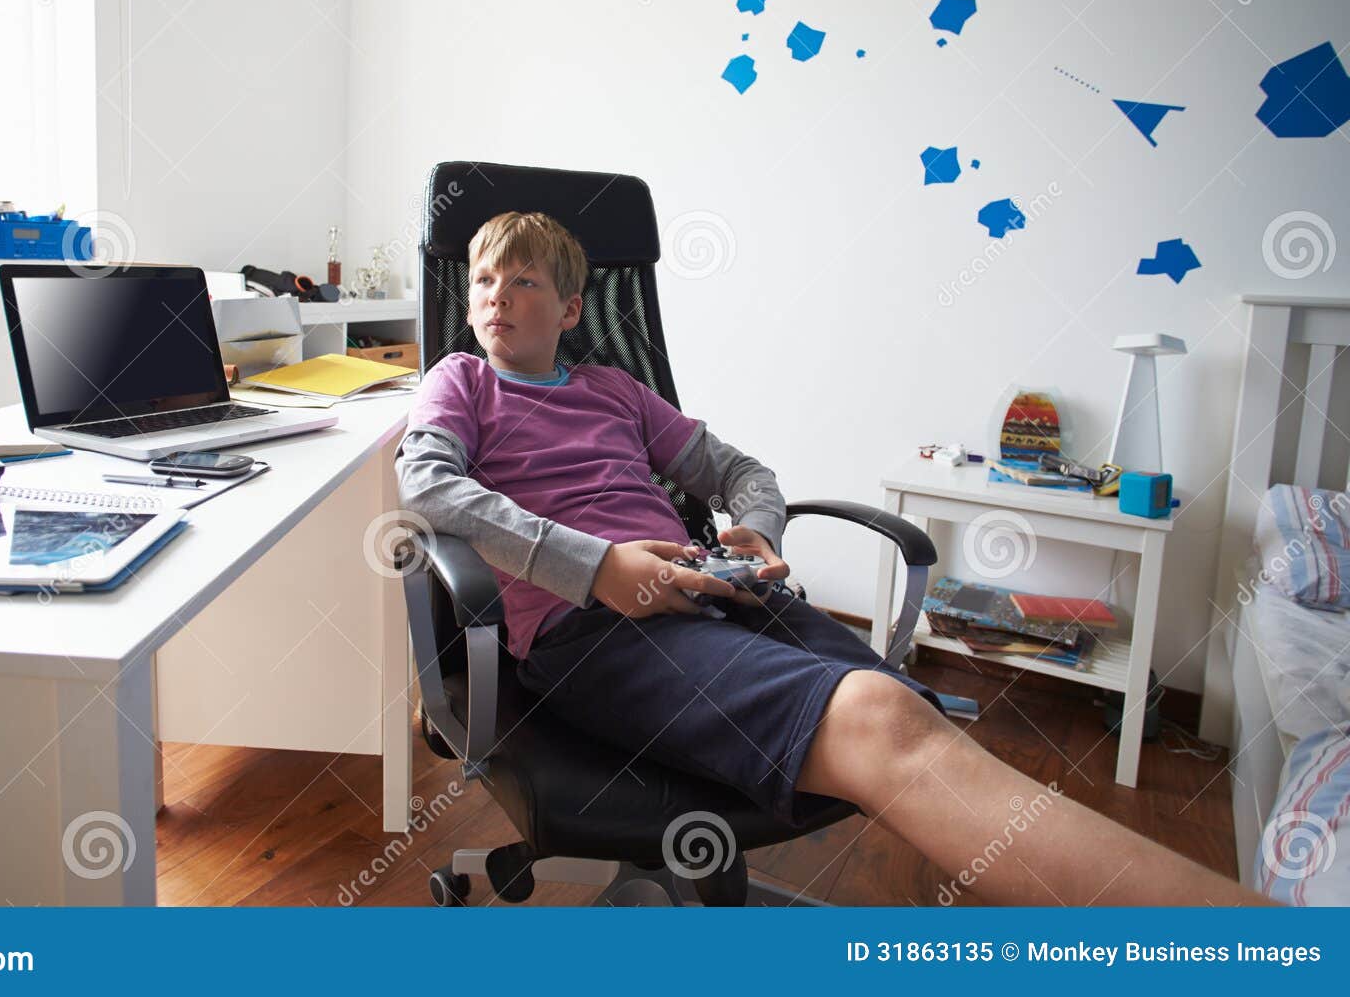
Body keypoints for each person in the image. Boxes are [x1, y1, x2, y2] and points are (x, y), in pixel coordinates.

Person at [396, 210, 1260, 906]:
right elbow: (429, 488)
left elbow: (741, 471)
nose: (496, 296)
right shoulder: (462, 382)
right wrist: (599, 566)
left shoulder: (614, 390)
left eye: (524, 280)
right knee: (882, 729)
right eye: (482, 281)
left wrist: (761, 532)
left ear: (573, 308)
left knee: (909, 716)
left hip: (713, 594)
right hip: (593, 625)